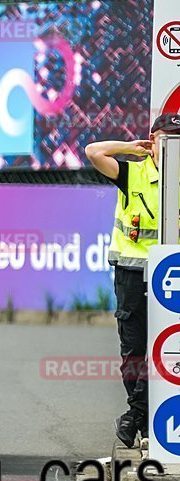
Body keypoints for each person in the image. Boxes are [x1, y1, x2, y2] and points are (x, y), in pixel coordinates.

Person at [85, 113, 180, 448]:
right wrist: (130, 147)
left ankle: (137, 417)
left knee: (166, 349)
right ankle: (140, 417)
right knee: (133, 351)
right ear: (152, 140)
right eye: (164, 139)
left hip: (171, 277)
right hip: (131, 272)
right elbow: (93, 152)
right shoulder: (133, 172)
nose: (170, 145)